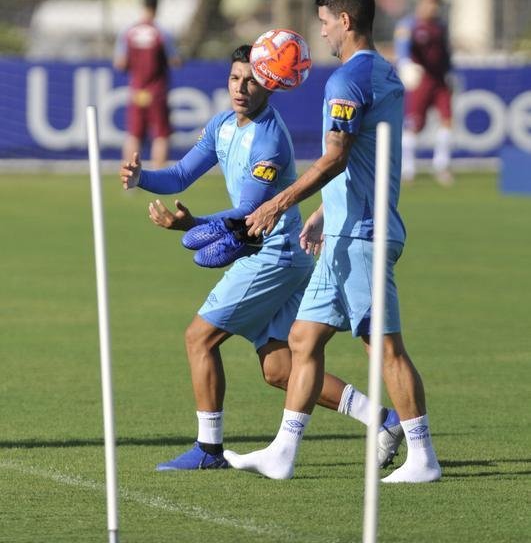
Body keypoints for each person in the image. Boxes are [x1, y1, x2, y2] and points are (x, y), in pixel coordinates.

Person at [119, 44, 404, 471]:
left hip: (274, 254)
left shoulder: (268, 139)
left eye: (252, 80)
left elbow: (247, 212)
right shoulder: (221, 125)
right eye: (235, 78)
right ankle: (382, 418)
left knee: (199, 337)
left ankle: (209, 450)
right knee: (280, 370)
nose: (241, 88)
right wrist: (142, 177)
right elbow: (180, 174)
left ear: (270, 85)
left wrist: (192, 224)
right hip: (274, 253)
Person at [223, 0, 441, 484]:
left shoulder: (347, 81)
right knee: (303, 337)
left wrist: (279, 202)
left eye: (323, 22)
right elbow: (364, 158)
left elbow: (337, 155)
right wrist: (324, 212)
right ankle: (283, 450)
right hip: (345, 229)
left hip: (363, 234)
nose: (319, 31)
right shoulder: (383, 72)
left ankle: (423, 456)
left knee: (383, 347)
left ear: (345, 21)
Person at [114, 0, 181, 169]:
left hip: (136, 90)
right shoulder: (162, 33)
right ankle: (159, 177)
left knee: (133, 135)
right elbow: (175, 61)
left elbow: (120, 63)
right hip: (157, 91)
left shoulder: (128, 32)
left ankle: (129, 179)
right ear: (157, 8)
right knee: (160, 136)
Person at [394, 0, 453, 185]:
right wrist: (405, 64)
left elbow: (445, 52)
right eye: (428, 4)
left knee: (447, 120)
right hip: (421, 80)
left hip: (440, 79)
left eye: (435, 4)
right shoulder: (409, 25)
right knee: (413, 124)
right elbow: (402, 47)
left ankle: (441, 166)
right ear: (420, 4)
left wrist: (450, 72)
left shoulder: (440, 27)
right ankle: (408, 168)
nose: (432, 8)